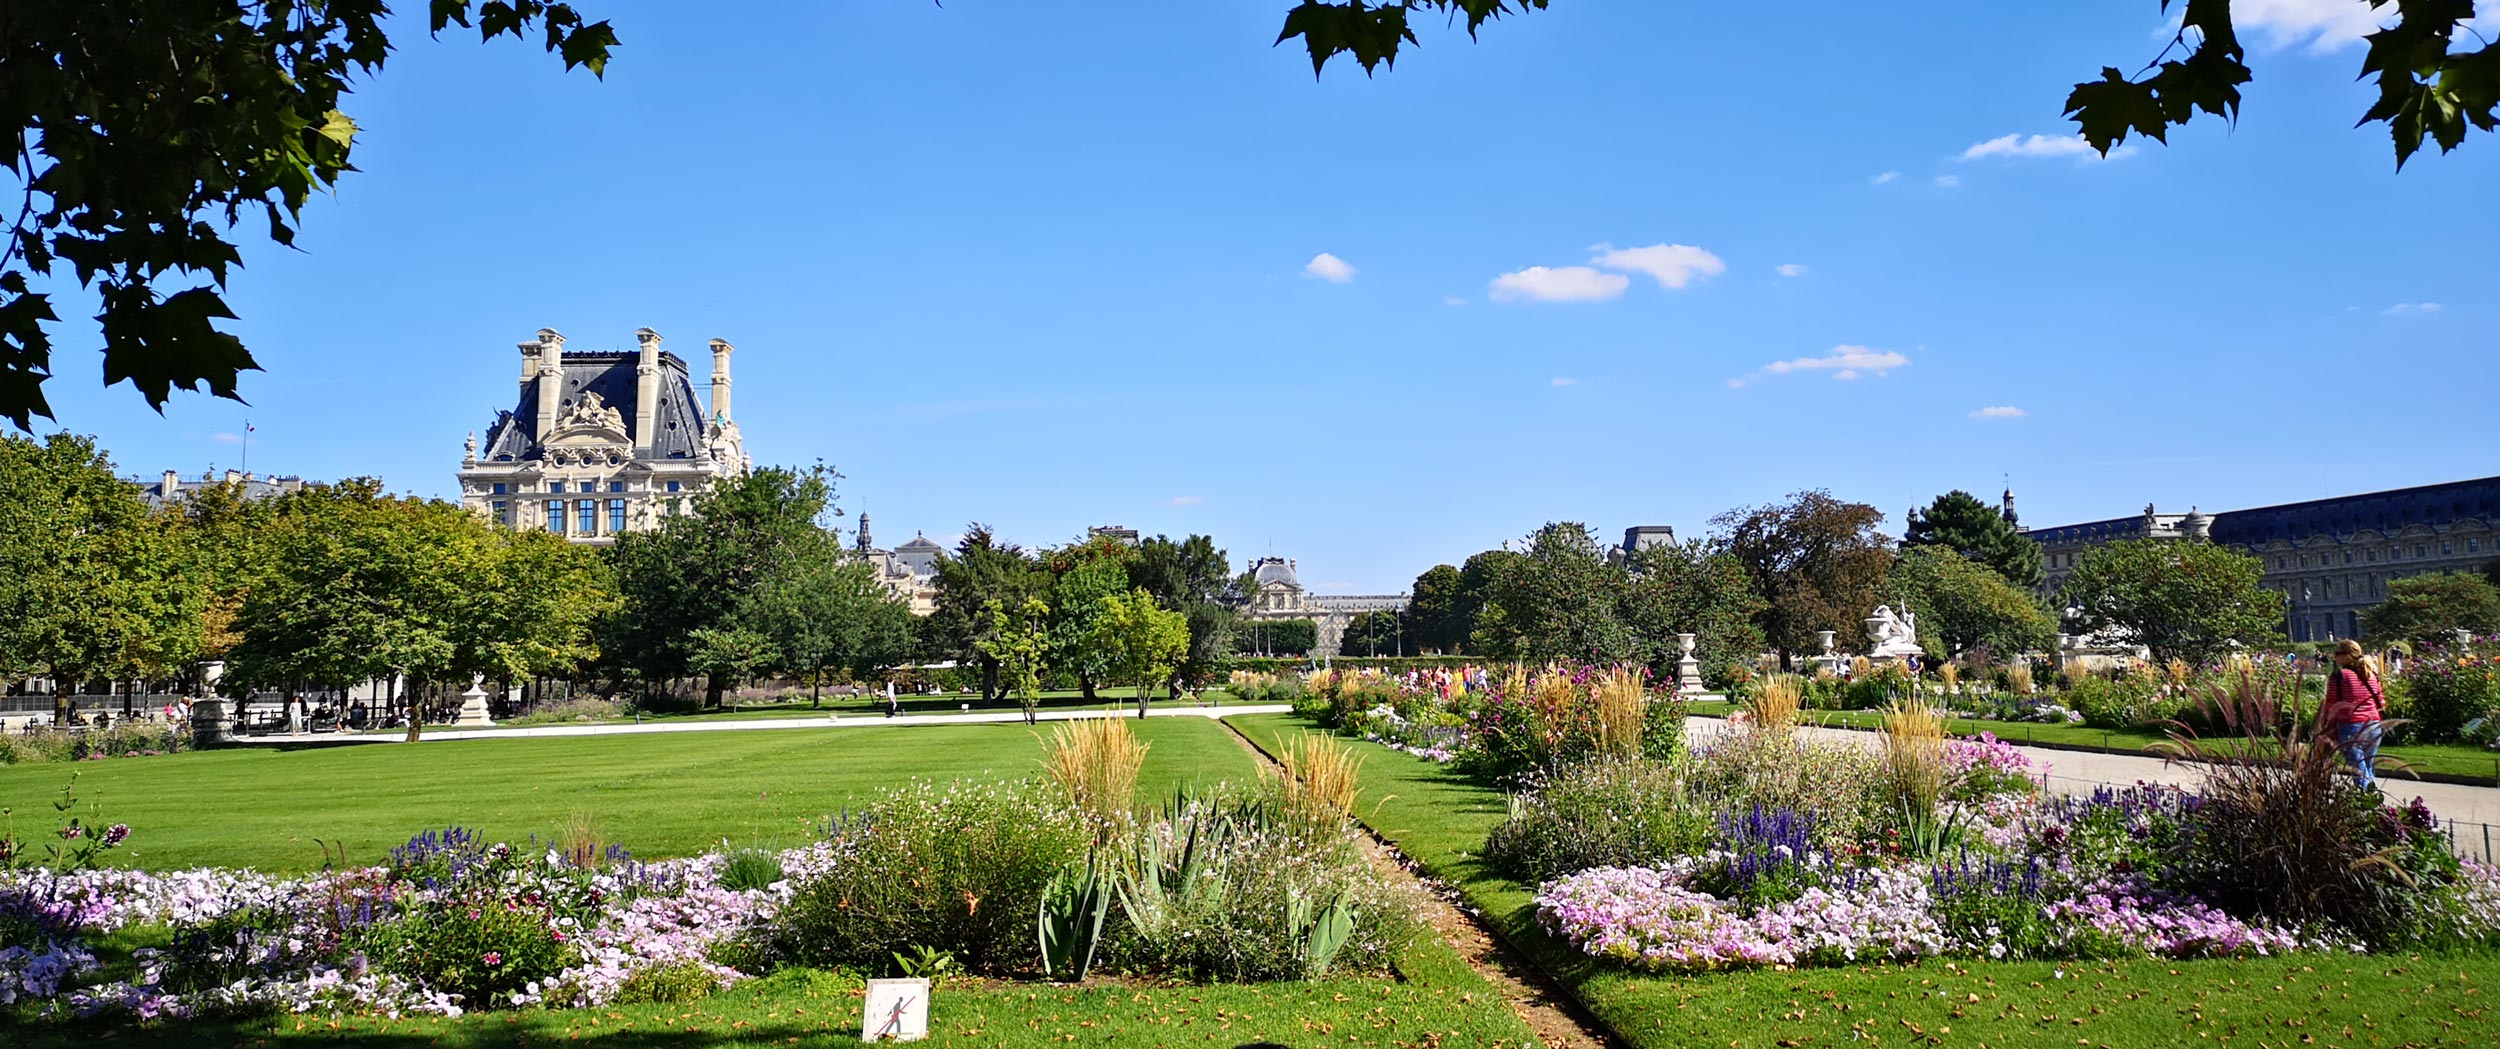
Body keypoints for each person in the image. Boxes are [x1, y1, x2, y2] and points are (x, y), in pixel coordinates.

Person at [2322, 639, 2387, 790]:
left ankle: (2367, 803)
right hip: (2373, 724)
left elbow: (2330, 704)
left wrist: (2325, 724)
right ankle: (2374, 801)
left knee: (2358, 771)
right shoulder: (2371, 674)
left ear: (2348, 655)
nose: (2335, 657)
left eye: (2337, 653)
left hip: (2352, 726)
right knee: (2368, 767)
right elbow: (2381, 701)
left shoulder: (2339, 676)